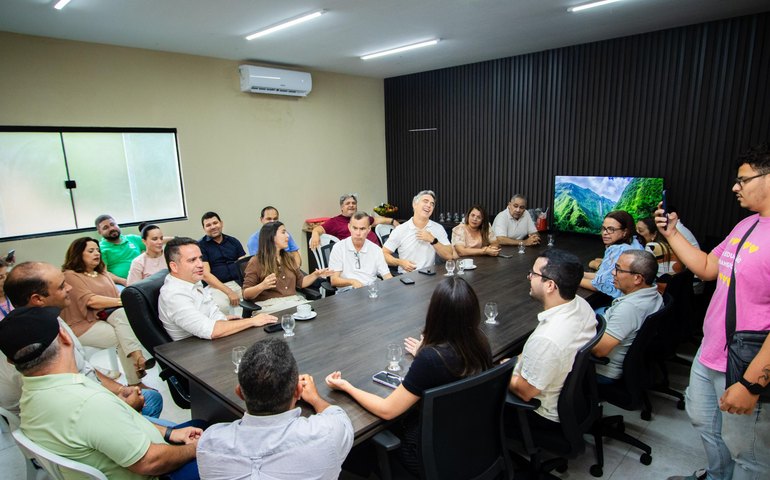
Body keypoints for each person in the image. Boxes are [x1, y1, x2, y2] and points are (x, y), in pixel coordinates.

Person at [659, 144, 770, 480]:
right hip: (711, 353)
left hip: (746, 363)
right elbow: (708, 267)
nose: (735, 187)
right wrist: (672, 233)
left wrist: (751, 384)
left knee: (748, 453)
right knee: (708, 426)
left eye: (743, 180)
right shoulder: (747, 225)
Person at [0, 307, 202, 480]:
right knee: (224, 443)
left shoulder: (31, 394)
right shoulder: (87, 403)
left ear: (11, 361)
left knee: (203, 427)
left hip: (135, 451)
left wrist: (170, 433)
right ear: (64, 337)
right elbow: (150, 462)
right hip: (158, 472)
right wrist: (195, 448)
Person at [326, 277, 493, 473]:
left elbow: (387, 410)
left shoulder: (431, 360)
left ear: (435, 314)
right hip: (472, 441)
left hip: (427, 455)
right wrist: (424, 351)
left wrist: (347, 386)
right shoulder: (480, 343)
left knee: (361, 443)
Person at [1, 261, 163, 418]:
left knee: (150, 397)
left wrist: (121, 390)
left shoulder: (51, 319)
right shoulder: (30, 343)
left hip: (85, 396)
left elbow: (84, 368)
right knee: (152, 402)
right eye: (62, 286)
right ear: (38, 299)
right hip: (71, 413)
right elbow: (67, 403)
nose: (70, 288)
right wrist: (120, 405)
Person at [198, 338, 354, 479]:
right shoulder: (327, 433)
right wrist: (315, 399)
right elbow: (337, 415)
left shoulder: (208, 444)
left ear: (239, 393)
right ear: (298, 391)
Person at [507, 249, 597, 429]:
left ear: (550, 286)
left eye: (533, 274)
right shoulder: (581, 304)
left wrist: (504, 368)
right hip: (572, 402)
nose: (529, 277)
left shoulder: (547, 339)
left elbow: (525, 392)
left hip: (541, 415)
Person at [60, 237, 150, 387]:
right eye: (90, 251)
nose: (96, 253)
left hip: (105, 317)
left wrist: (121, 301)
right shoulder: (71, 275)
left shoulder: (102, 272)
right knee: (123, 336)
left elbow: (116, 295)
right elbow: (91, 300)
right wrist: (122, 302)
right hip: (83, 324)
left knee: (123, 318)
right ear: (78, 254)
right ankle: (136, 377)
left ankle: (138, 364)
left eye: (97, 250)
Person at [159, 238, 276, 341]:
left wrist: (223, 319)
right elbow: (211, 330)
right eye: (192, 260)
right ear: (174, 266)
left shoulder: (192, 281)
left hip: (209, 341)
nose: (200, 264)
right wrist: (252, 321)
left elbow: (212, 313)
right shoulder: (174, 294)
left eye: (200, 258)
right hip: (195, 352)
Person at [592, 250, 663, 383]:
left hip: (602, 370)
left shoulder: (629, 309)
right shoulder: (654, 293)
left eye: (618, 269)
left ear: (637, 278)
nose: (613, 273)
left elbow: (599, 351)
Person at [242, 222, 333, 313]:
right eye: (283, 232)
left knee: (323, 312)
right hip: (269, 307)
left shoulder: (288, 258)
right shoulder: (256, 261)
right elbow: (246, 294)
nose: (287, 236)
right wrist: (262, 286)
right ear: (271, 236)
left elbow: (301, 282)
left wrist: (315, 275)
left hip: (293, 302)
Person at [580, 210, 643, 304]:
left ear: (625, 232)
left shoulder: (617, 250)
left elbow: (599, 285)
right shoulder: (635, 242)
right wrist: (581, 274)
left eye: (611, 229)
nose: (605, 233)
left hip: (623, 306)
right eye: (604, 228)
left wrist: (572, 279)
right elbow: (604, 277)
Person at [382, 190, 453, 273]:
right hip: (406, 278)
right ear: (414, 204)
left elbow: (449, 256)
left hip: (430, 276)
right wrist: (400, 262)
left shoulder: (438, 228)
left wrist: (433, 240)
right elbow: (383, 254)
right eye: (425, 201)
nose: (429, 205)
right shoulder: (401, 229)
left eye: (432, 204)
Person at [328, 212, 393, 289]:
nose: (358, 233)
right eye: (355, 228)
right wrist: (352, 282)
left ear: (369, 229)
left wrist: (394, 287)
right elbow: (334, 280)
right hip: (347, 293)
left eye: (362, 229)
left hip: (371, 291)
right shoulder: (338, 248)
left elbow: (386, 275)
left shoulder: (376, 249)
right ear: (349, 227)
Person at [309, 193, 398, 249]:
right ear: (341, 207)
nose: (351, 205)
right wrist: (315, 234)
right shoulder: (335, 222)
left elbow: (376, 220)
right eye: (348, 203)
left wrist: (392, 221)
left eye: (353, 203)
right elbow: (318, 229)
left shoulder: (361, 217)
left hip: (377, 253)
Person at [198, 211, 246, 315]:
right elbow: (206, 275)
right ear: (204, 229)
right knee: (220, 306)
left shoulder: (233, 241)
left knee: (257, 297)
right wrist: (229, 292)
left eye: (215, 223)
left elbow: (245, 267)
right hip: (216, 286)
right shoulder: (200, 246)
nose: (213, 227)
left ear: (221, 223)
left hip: (239, 283)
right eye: (208, 225)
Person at [95, 214, 145, 287]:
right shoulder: (101, 249)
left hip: (144, 277)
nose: (111, 228)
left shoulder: (132, 238)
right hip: (120, 284)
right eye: (106, 228)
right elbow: (104, 273)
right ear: (100, 232)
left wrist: (168, 241)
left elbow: (155, 242)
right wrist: (124, 281)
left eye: (112, 224)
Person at [636, 217, 683, 288]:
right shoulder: (668, 245)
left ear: (654, 234)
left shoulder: (652, 246)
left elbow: (642, 273)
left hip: (661, 290)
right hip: (675, 289)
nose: (637, 234)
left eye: (640, 231)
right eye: (635, 230)